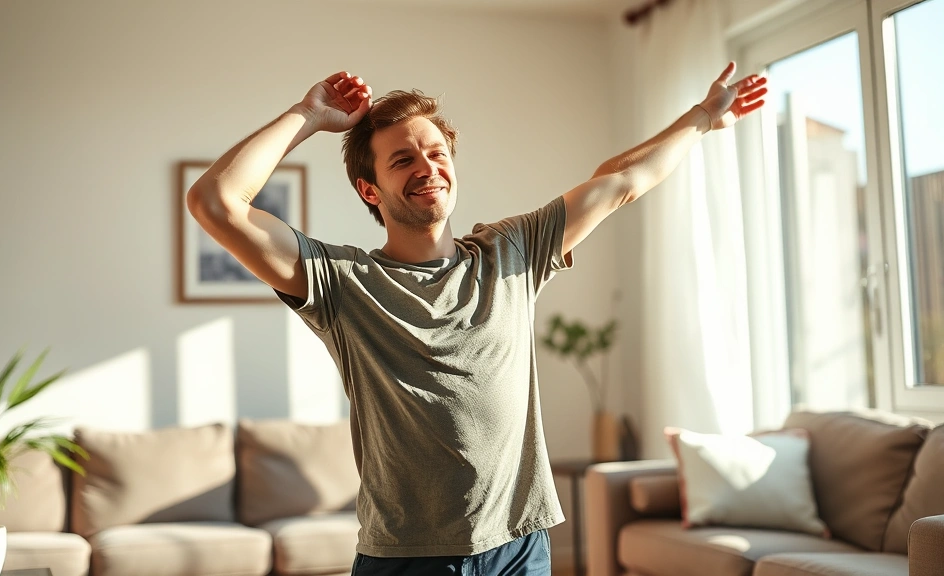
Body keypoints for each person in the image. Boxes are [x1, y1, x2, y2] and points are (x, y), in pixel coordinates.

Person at [187, 63, 767, 575]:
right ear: (370, 188)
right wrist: (308, 114)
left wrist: (703, 118)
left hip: (518, 547)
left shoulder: (510, 251)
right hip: (407, 558)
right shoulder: (342, 281)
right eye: (403, 159)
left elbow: (617, 183)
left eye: (437, 153)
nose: (427, 167)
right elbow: (215, 201)